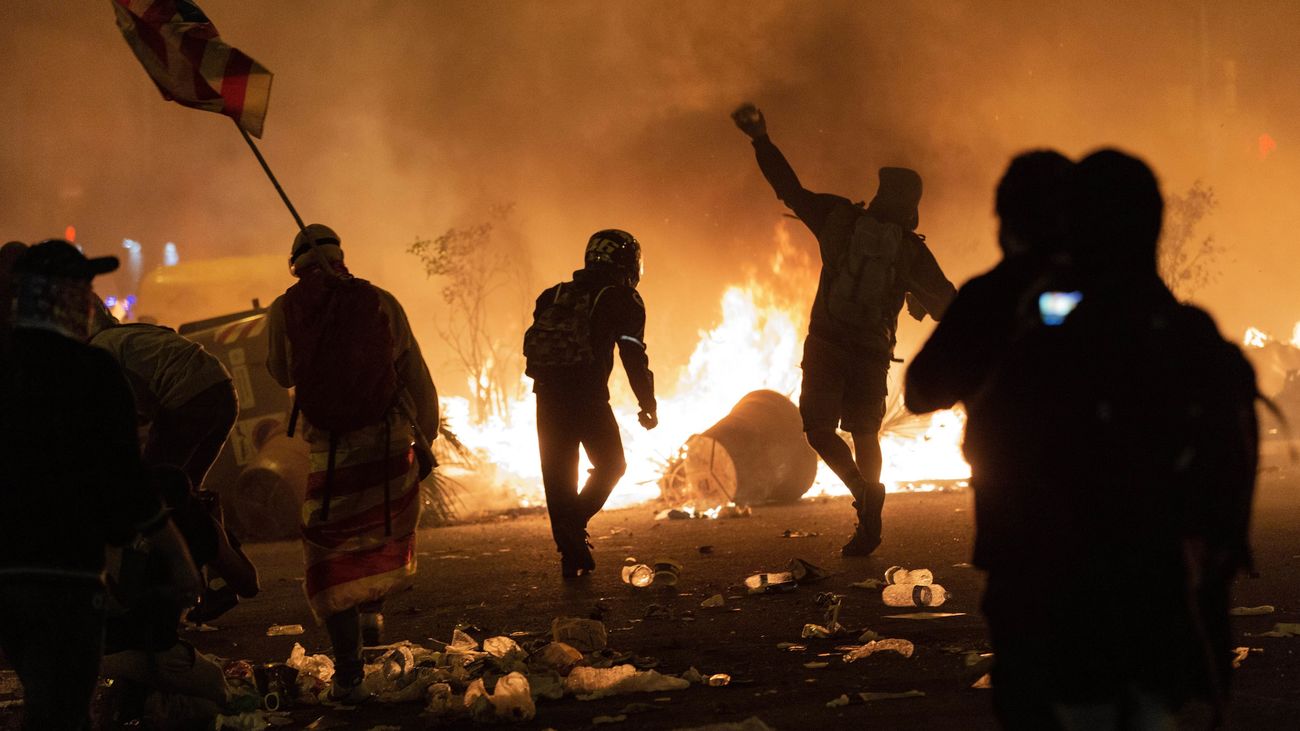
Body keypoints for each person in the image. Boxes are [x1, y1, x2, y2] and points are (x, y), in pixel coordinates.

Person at [953, 151, 1259, 728]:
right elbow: (1228, 483)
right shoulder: (1188, 335)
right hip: (1158, 594)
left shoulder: (1047, 339)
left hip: (1064, 596)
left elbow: (991, 445)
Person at [732, 103, 957, 556]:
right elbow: (948, 305)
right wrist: (915, 297)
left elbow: (788, 188)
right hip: (872, 354)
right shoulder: (912, 253)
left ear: (878, 193)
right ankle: (870, 518)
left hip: (827, 345)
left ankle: (860, 490)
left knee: (818, 429)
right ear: (912, 206)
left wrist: (760, 138)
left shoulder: (839, 220)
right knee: (866, 434)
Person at [0, 239, 200, 730]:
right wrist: (175, 554)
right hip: (66, 576)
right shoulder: (91, 370)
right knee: (63, 709)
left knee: (44, 699)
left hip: (6, 578)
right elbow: (125, 481)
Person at [266, 223, 439, 703]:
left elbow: (281, 371)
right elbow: (412, 369)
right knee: (382, 528)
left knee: (331, 551)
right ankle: (373, 612)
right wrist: (427, 435)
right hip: (387, 442)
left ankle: (348, 675)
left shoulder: (285, 309)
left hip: (332, 450)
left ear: (296, 264)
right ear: (341, 254)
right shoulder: (380, 300)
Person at [523, 229, 657, 578]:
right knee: (612, 464)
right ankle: (574, 525)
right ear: (627, 263)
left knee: (558, 476)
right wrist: (647, 402)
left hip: (547, 395)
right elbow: (632, 353)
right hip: (587, 396)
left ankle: (571, 555)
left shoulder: (552, 295)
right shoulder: (622, 298)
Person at [905, 150, 1073, 417]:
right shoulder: (1126, 295)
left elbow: (920, 393)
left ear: (1006, 221)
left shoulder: (991, 297)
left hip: (1013, 458)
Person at [101, 465, 257, 728]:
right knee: (220, 692)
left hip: (83, 646)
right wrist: (217, 526)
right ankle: (150, 702)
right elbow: (249, 584)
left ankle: (138, 691)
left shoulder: (111, 515)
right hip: (151, 650)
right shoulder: (190, 521)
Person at [88, 300, 238, 493]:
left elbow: (121, 410)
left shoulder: (101, 349)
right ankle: (204, 520)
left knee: (151, 488)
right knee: (188, 487)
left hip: (189, 398)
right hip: (224, 391)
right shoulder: (129, 333)